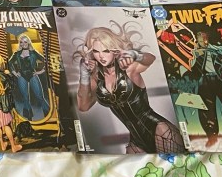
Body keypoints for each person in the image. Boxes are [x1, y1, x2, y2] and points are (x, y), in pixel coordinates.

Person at [74, 22, 181, 153]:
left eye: (106, 50)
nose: (101, 56)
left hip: (161, 131)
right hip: (136, 141)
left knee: (176, 166)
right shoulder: (96, 77)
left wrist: (135, 55)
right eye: (96, 51)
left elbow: (150, 59)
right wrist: (84, 75)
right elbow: (83, 106)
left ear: (113, 50)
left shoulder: (127, 68)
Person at [6, 34, 49, 121]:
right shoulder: (17, 54)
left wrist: (40, 72)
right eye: (21, 42)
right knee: (25, 97)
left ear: (28, 42)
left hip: (32, 75)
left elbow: (46, 61)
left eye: (25, 42)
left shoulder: (34, 53)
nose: (23, 44)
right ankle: (29, 117)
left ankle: (47, 113)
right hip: (22, 76)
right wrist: (14, 72)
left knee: (39, 96)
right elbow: (9, 63)